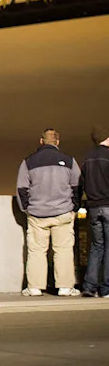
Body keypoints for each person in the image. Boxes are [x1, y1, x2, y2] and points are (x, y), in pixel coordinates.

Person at [16, 128, 81, 297]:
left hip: (37, 213)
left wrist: (27, 208)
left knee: (36, 251)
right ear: (57, 142)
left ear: (41, 141)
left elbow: (21, 188)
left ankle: (35, 287)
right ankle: (65, 287)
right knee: (63, 250)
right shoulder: (69, 161)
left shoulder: (28, 162)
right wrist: (74, 206)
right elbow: (77, 186)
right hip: (63, 212)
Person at [81, 125, 109, 298]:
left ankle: (89, 286)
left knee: (96, 246)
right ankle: (106, 288)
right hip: (108, 204)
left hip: (93, 207)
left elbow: (81, 184)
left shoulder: (87, 158)